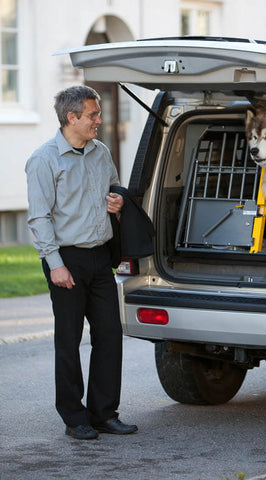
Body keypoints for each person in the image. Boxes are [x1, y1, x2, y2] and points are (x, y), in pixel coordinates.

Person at [25, 85, 137, 440]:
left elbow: (115, 188)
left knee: (109, 335)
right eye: (92, 115)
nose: (98, 121)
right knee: (69, 339)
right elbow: (39, 218)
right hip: (66, 260)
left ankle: (104, 413)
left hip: (100, 257)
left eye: (97, 114)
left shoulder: (101, 152)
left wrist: (117, 201)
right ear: (71, 117)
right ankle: (75, 417)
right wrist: (55, 264)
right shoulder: (44, 160)